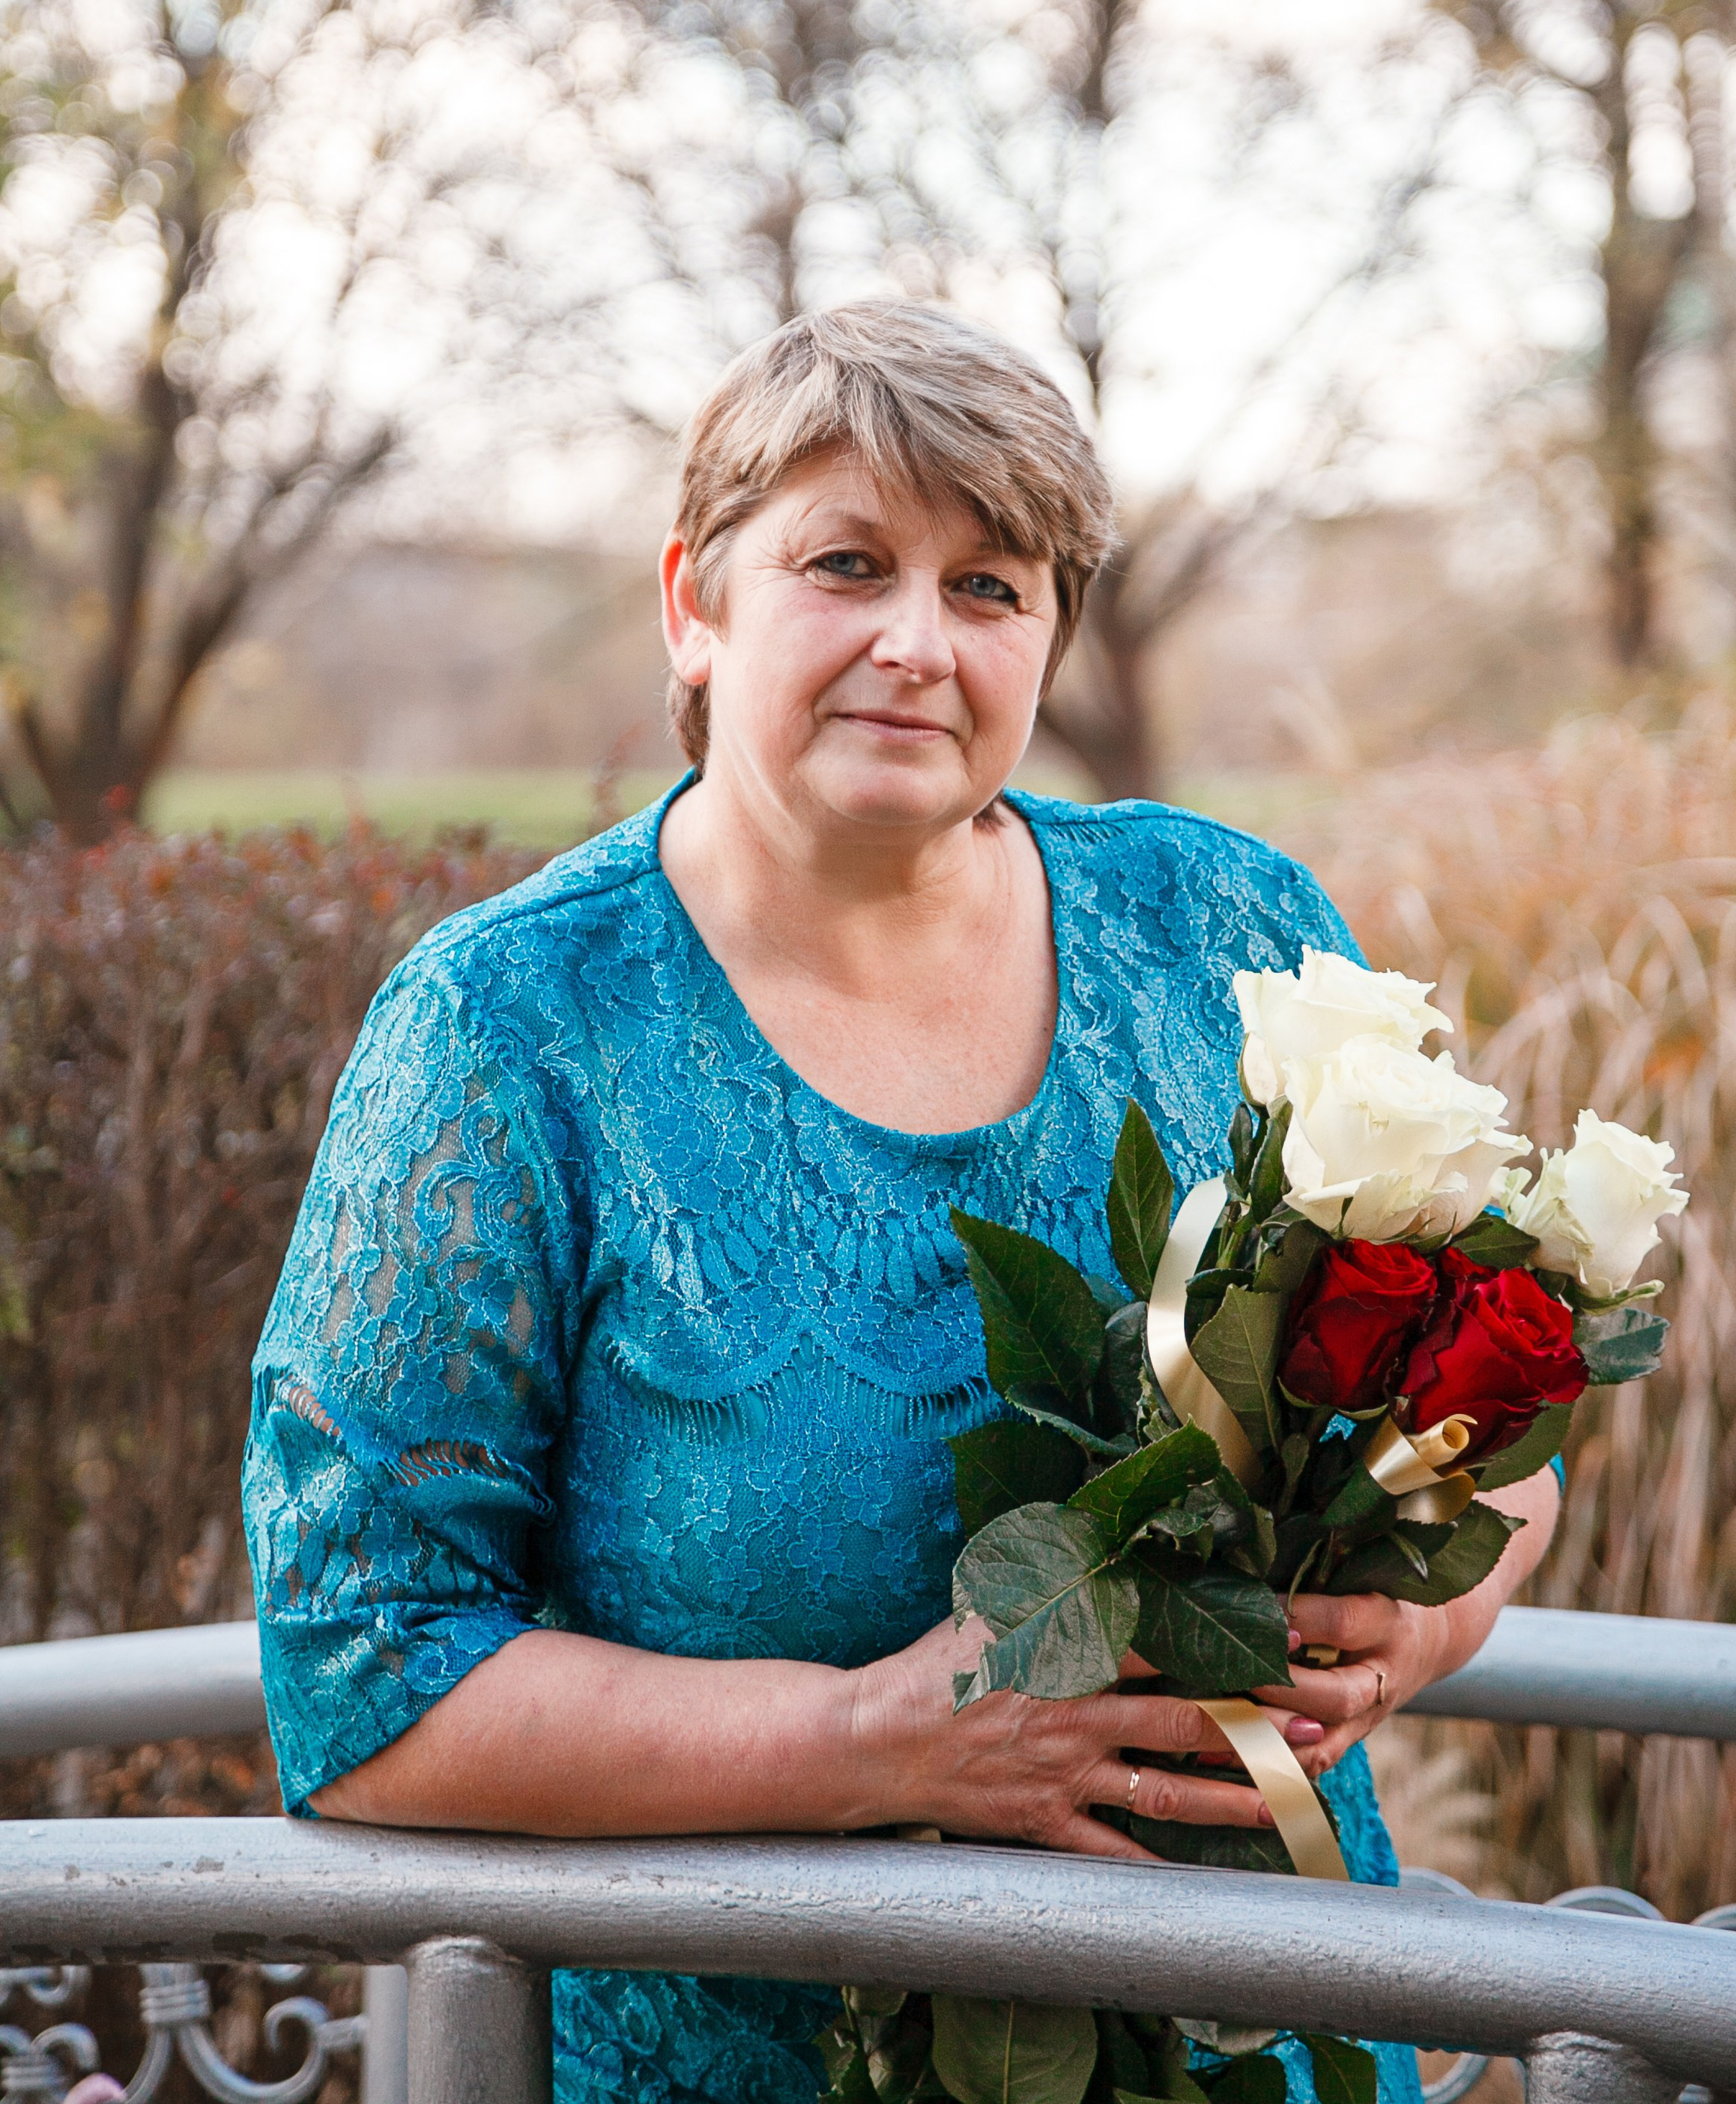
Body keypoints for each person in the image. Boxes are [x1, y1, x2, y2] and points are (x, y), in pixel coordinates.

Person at [243, 303, 1561, 2104]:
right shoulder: (509, 1031)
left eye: (988, 586)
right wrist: (881, 1737)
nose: (916, 645)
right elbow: (360, 1680)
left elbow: (1497, 1421)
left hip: (1271, 2032)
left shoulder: (1229, 933)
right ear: (694, 603)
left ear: (1050, 636)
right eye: (845, 565)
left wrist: (1412, 1625)